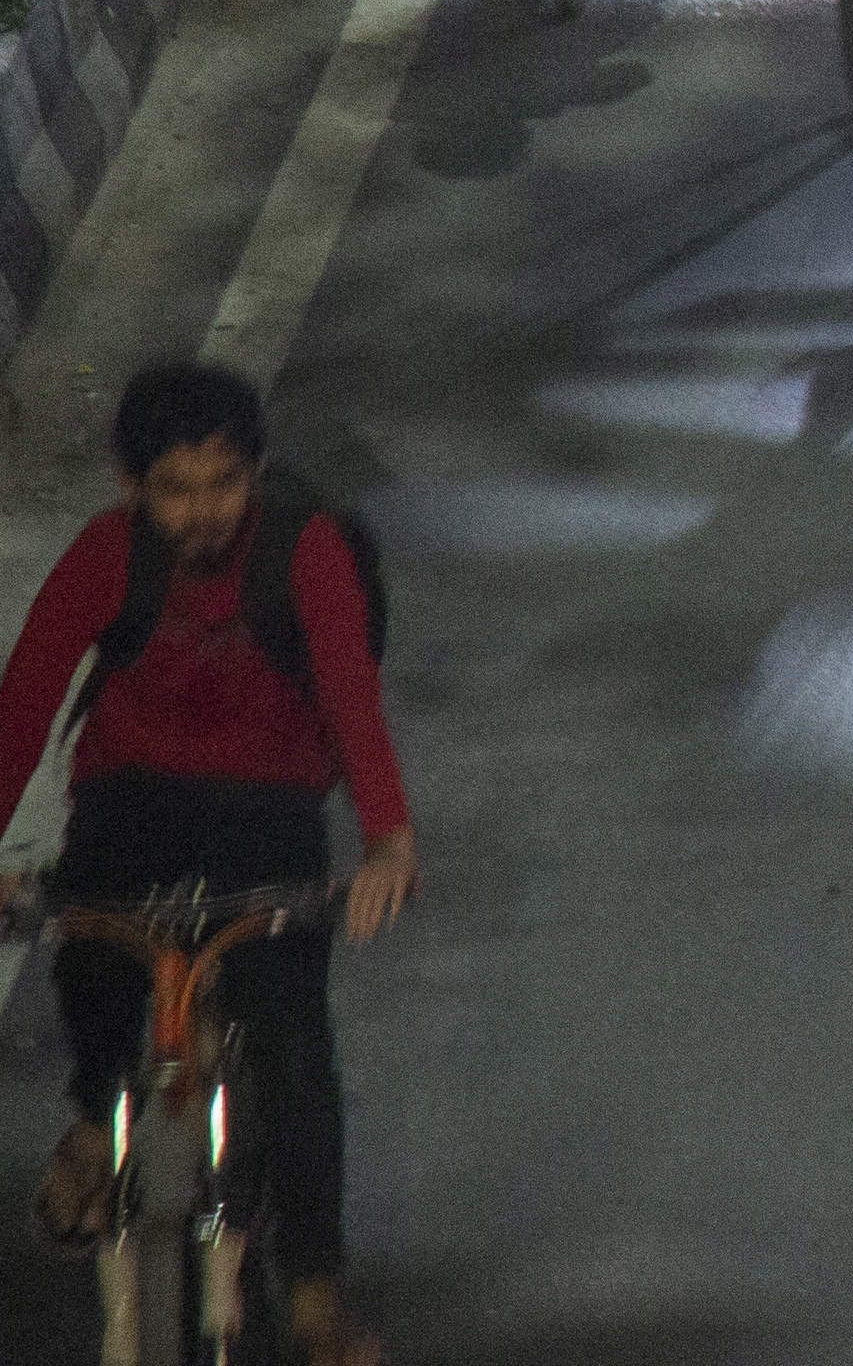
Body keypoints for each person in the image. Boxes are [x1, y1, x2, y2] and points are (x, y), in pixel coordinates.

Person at [0, 366, 412, 1366]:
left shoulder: (303, 554)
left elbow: (353, 700)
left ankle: (314, 1296)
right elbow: (25, 700)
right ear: (131, 485)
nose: (202, 512)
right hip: (132, 790)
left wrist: (386, 841)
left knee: (296, 1049)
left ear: (255, 475)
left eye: (224, 484)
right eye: (177, 489)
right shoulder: (107, 556)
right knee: (87, 946)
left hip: (271, 808)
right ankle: (100, 1118)